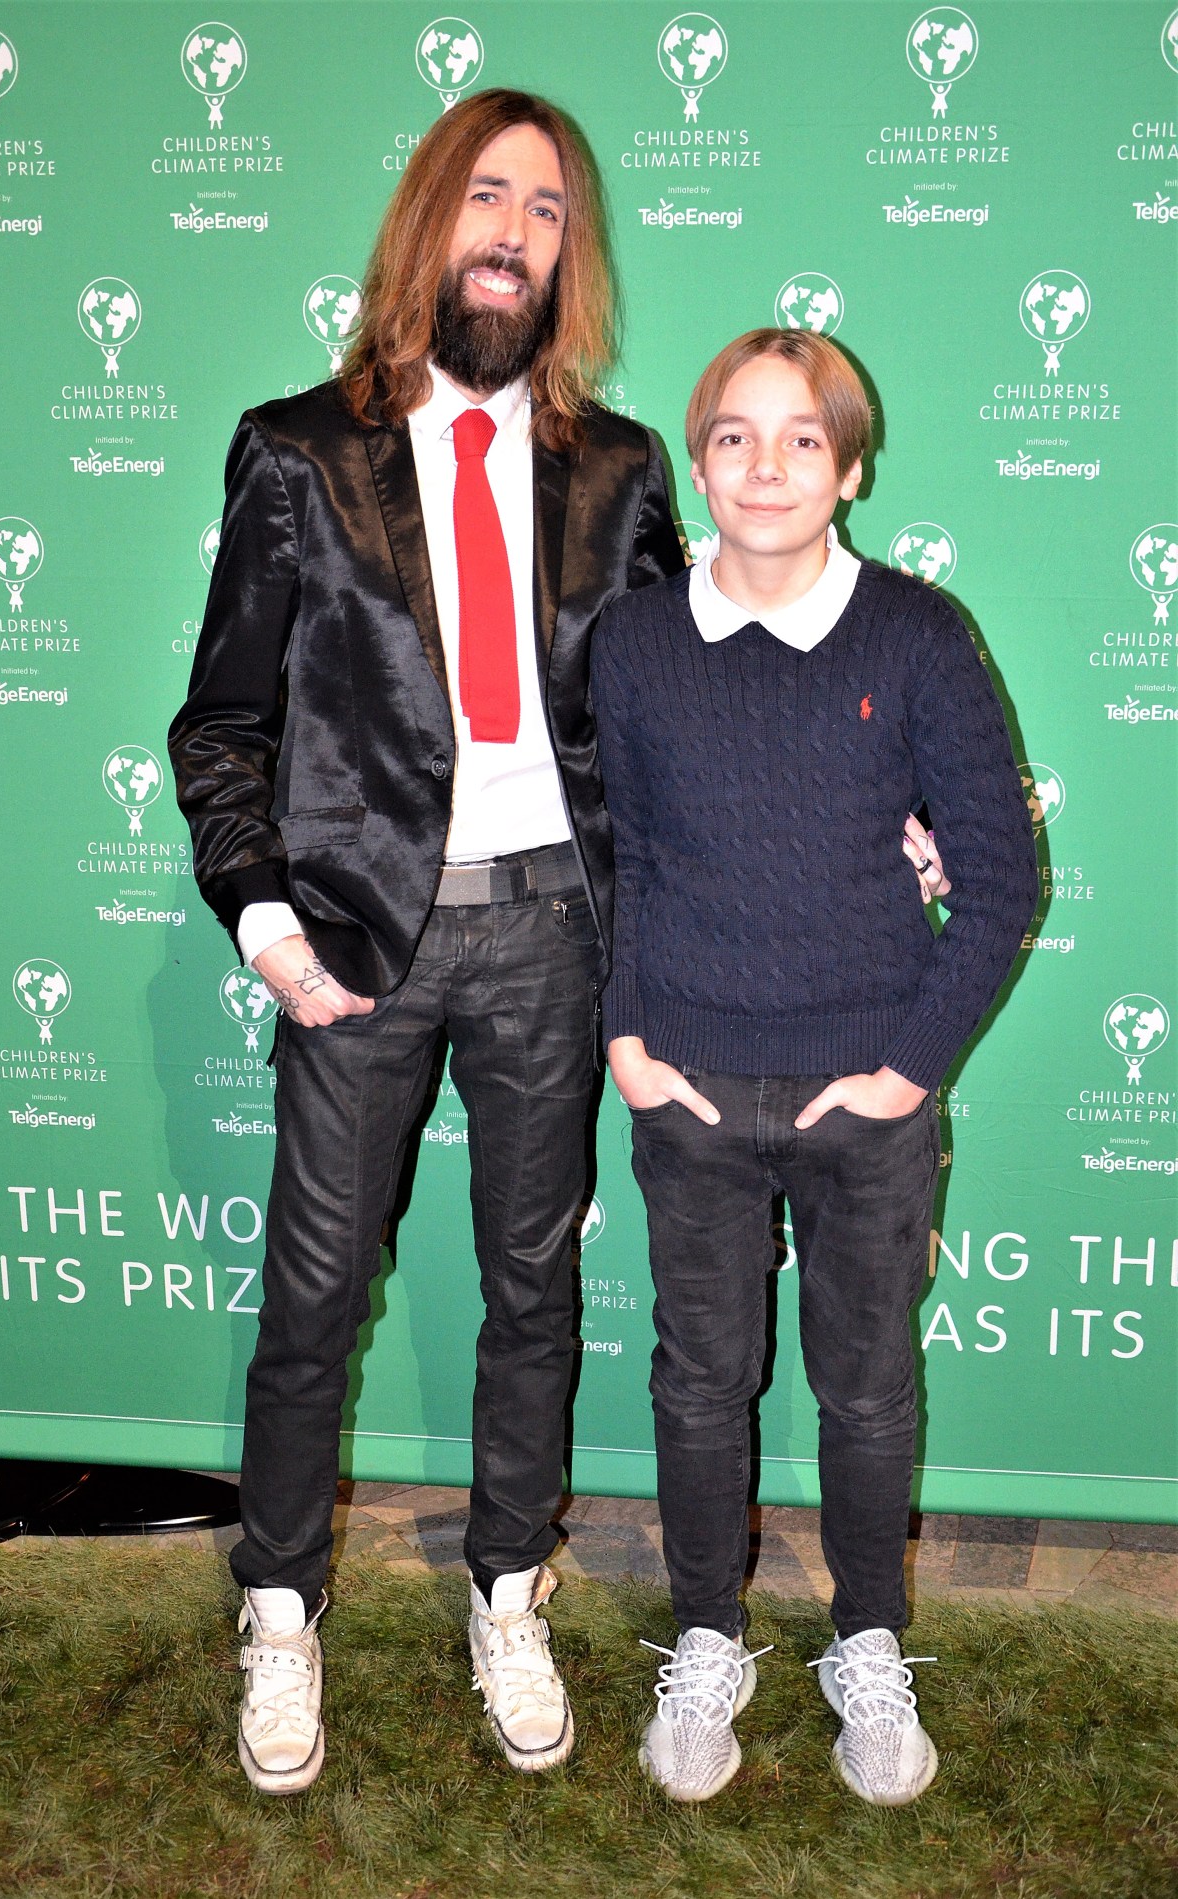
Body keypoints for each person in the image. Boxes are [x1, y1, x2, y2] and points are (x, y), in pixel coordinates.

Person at [168, 87, 687, 1795]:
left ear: (567, 254)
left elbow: (688, 705)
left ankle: (508, 1588)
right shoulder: (297, 451)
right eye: (487, 196)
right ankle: (278, 1605)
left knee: (534, 1288)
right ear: (427, 221)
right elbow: (224, 724)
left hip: (552, 934)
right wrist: (265, 923)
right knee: (314, 1291)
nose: (513, 234)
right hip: (355, 946)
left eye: (546, 209)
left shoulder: (620, 471)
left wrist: (864, 782)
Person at [590, 328, 1037, 1807]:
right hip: (691, 1091)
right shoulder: (636, 642)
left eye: (801, 439)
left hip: (868, 1101)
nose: (766, 466)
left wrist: (906, 1071)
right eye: (734, 436)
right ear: (698, 461)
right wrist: (627, 1038)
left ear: (849, 468)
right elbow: (622, 858)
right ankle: (706, 1638)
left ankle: (868, 1641)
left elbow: (1000, 881)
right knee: (699, 1386)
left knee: (869, 1391)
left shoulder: (919, 635)